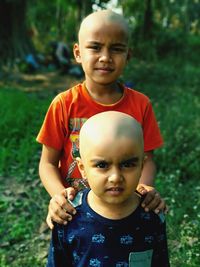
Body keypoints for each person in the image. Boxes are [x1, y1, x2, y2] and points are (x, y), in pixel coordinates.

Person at [36, 9, 167, 230]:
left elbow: (148, 160)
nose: (105, 57)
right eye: (95, 47)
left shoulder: (140, 105)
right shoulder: (64, 104)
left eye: (116, 49)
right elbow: (47, 163)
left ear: (128, 55)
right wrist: (59, 197)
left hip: (124, 208)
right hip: (74, 213)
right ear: (78, 53)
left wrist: (144, 187)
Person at [46, 111, 170, 267]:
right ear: (82, 168)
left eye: (127, 164)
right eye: (102, 165)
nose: (116, 177)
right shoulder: (68, 217)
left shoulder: (152, 215)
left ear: (141, 166)